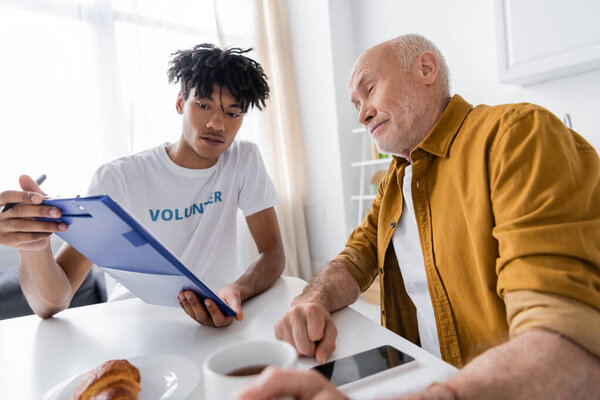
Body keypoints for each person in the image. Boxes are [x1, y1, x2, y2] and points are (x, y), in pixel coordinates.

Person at [240, 34, 600, 399]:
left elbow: (566, 342)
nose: (361, 113)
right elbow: (357, 257)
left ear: (426, 69)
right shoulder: (395, 180)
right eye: (356, 103)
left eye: (370, 89)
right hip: (428, 372)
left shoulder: (516, 136)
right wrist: (311, 300)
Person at [0, 44, 285, 328]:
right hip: (134, 331)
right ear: (180, 103)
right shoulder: (120, 179)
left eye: (232, 113)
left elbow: (272, 253)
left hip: (214, 327)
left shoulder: (243, 159)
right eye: (203, 105)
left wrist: (237, 289)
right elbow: (52, 303)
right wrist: (34, 249)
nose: (217, 124)